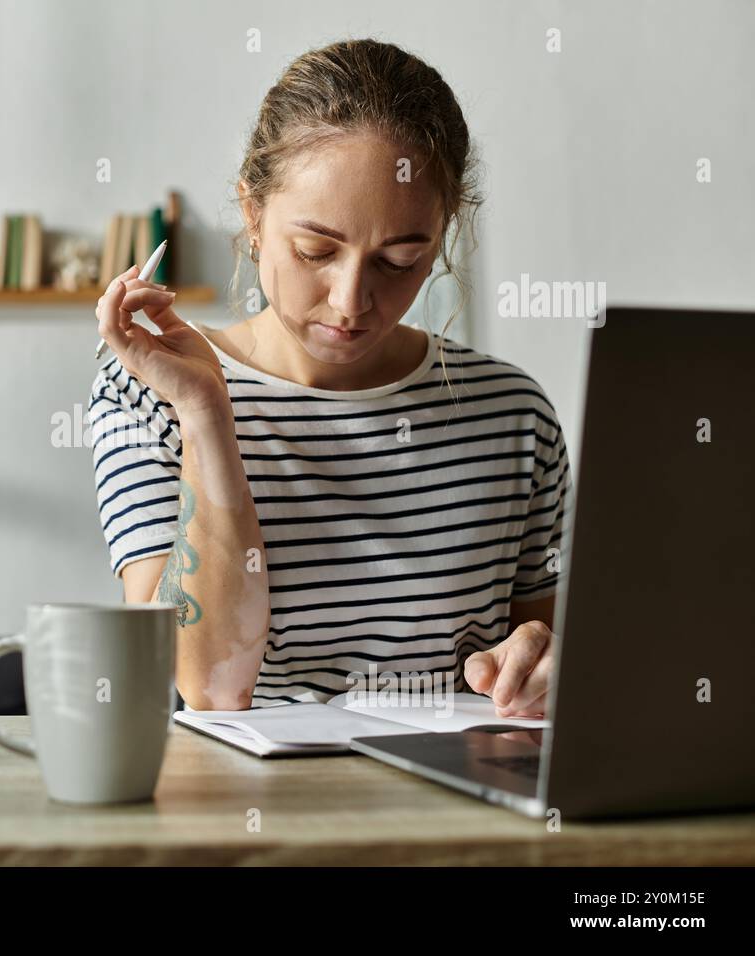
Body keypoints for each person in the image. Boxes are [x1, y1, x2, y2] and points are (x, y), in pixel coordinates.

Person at [88, 39, 569, 715]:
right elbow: (209, 686)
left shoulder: (513, 413)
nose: (350, 301)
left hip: (461, 802)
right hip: (250, 807)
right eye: (316, 250)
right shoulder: (145, 394)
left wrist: (544, 663)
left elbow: (543, 649)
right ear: (252, 216)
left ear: (442, 236)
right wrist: (206, 419)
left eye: (400, 260)